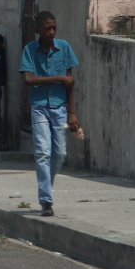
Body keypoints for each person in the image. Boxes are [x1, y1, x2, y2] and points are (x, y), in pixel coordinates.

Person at [19, 11, 79, 217]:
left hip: (60, 107)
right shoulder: (30, 50)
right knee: (43, 152)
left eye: (54, 27)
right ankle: (46, 200)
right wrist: (57, 79)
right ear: (38, 30)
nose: (52, 31)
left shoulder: (64, 48)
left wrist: (73, 113)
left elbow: (70, 83)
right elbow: (28, 79)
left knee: (60, 153)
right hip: (39, 107)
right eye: (47, 28)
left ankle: (47, 187)